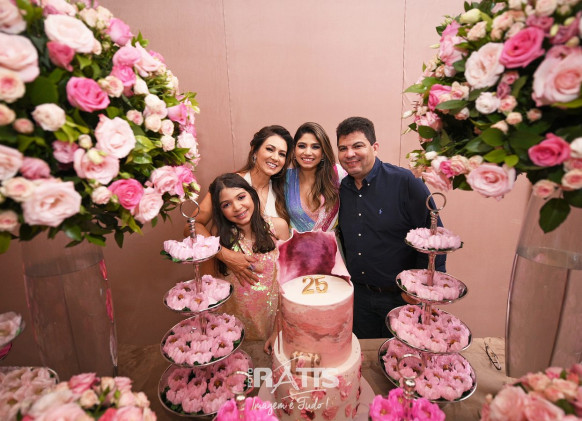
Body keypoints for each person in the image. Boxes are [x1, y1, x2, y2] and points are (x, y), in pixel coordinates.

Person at [336, 116, 446, 339]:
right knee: (364, 354)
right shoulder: (341, 189)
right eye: (343, 148)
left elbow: (434, 238)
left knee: (401, 355)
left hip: (401, 298)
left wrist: (422, 291)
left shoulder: (405, 182)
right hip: (359, 299)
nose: (349, 154)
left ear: (375, 147)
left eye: (358, 146)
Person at [186, 125, 293, 285]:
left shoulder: (282, 191)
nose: (275, 157)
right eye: (270, 149)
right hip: (232, 284)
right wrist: (225, 255)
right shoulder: (230, 185)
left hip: (269, 287)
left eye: (282, 154)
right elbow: (191, 225)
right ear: (254, 150)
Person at [206, 173, 290, 350]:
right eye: (226, 204)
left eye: (241, 197)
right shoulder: (218, 237)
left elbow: (288, 282)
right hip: (235, 323)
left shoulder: (278, 227)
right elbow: (212, 283)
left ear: (252, 195)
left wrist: (279, 329)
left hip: (273, 320)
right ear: (220, 211)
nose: (237, 207)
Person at [285, 122, 346, 232]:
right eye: (302, 146)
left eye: (315, 147)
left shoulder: (337, 174)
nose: (308, 152)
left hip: (332, 242)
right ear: (294, 150)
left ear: (323, 152)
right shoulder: (285, 178)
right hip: (294, 242)